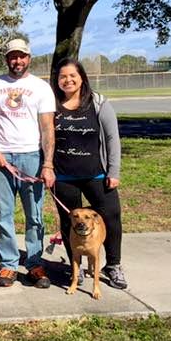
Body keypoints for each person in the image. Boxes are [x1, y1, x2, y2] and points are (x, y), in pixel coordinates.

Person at [0, 38, 56, 289]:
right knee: (5, 215)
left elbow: (47, 128)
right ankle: (8, 264)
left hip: (31, 157)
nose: (17, 61)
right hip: (2, 159)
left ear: (29, 58)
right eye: (12, 56)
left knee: (35, 215)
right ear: (6, 59)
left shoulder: (41, 87)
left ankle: (34, 264)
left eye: (21, 56)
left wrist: (48, 164)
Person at [52, 58, 127, 289]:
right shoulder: (51, 105)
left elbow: (112, 138)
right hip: (63, 177)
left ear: (82, 78)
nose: (68, 80)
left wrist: (113, 171)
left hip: (97, 175)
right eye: (63, 76)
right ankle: (76, 268)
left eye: (72, 75)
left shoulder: (98, 103)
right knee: (70, 222)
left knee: (111, 217)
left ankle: (113, 265)